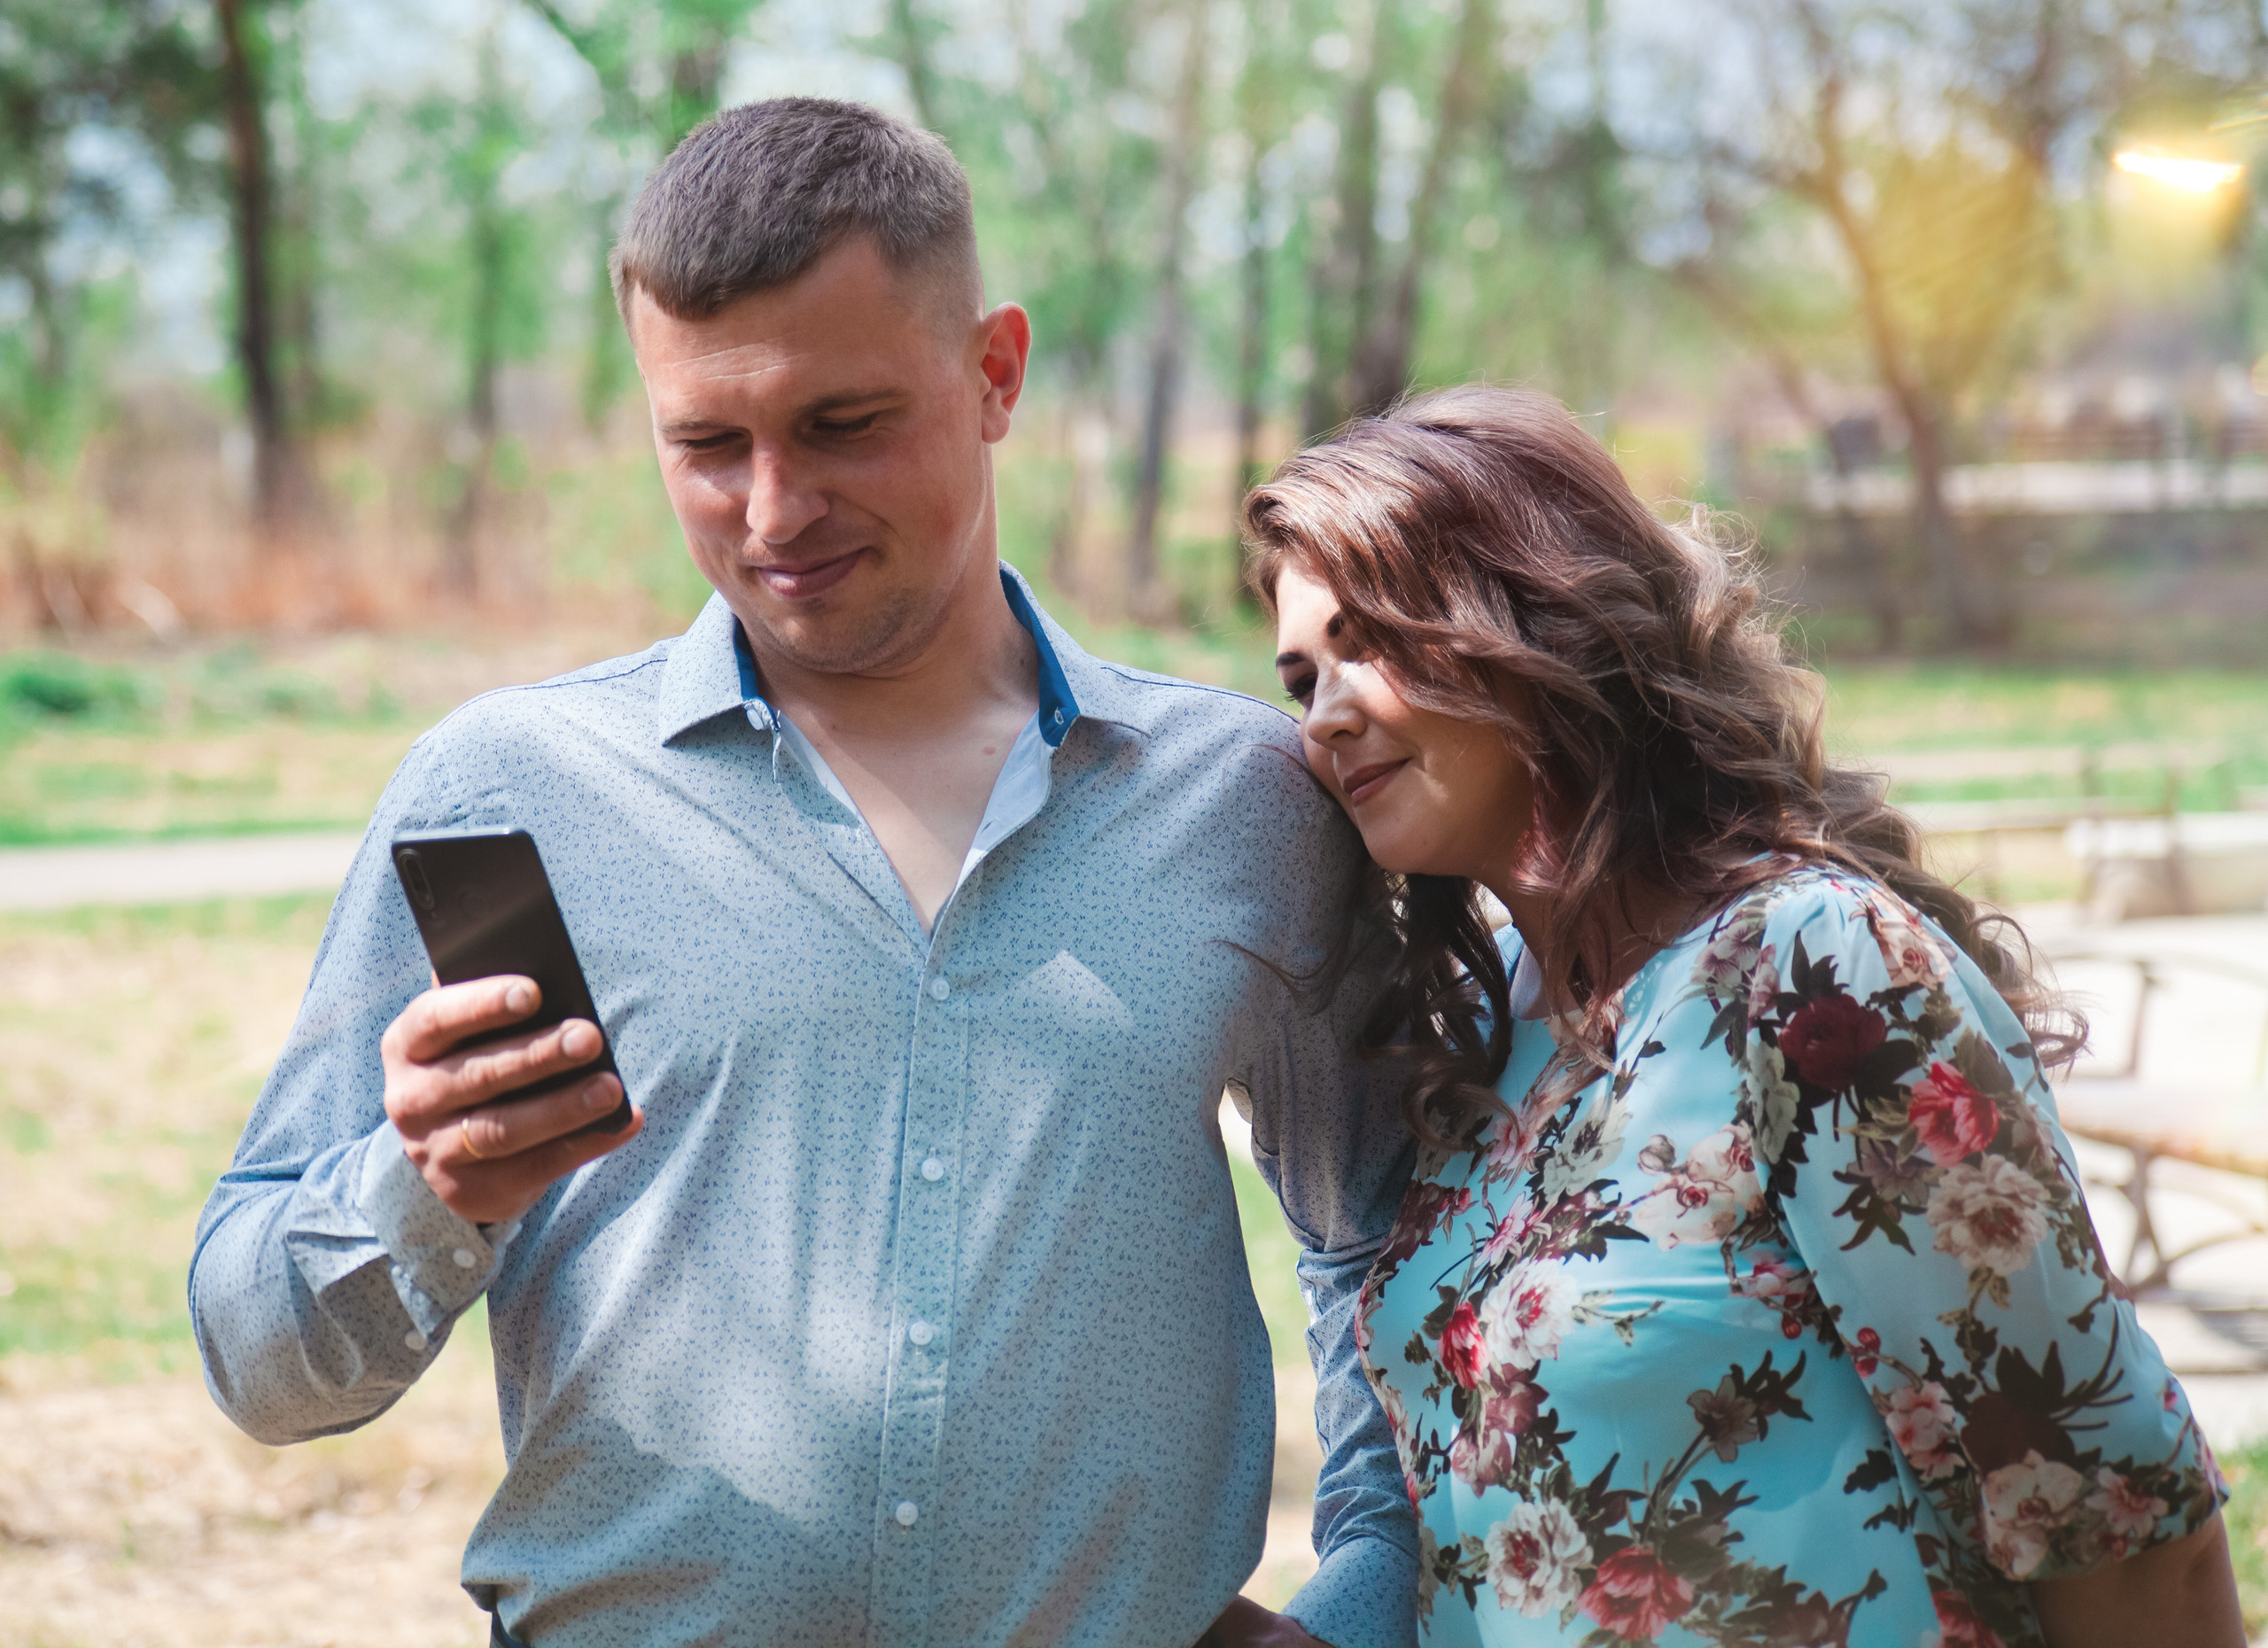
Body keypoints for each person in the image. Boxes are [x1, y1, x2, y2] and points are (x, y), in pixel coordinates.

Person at [190, 99, 1419, 1648]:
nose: (773, 513)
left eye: (843, 425)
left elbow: (1392, 1250)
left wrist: (1364, 1603)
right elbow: (257, 1368)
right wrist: (420, 1192)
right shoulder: (507, 793)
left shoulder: (1247, 800)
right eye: (707, 444)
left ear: (995, 375)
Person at [1249, 385, 2241, 1647]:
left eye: (1373, 638)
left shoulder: (1811, 970)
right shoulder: (1485, 1032)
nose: (1325, 711)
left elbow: (2119, 1527)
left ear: (1531, 615)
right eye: (1300, 675)